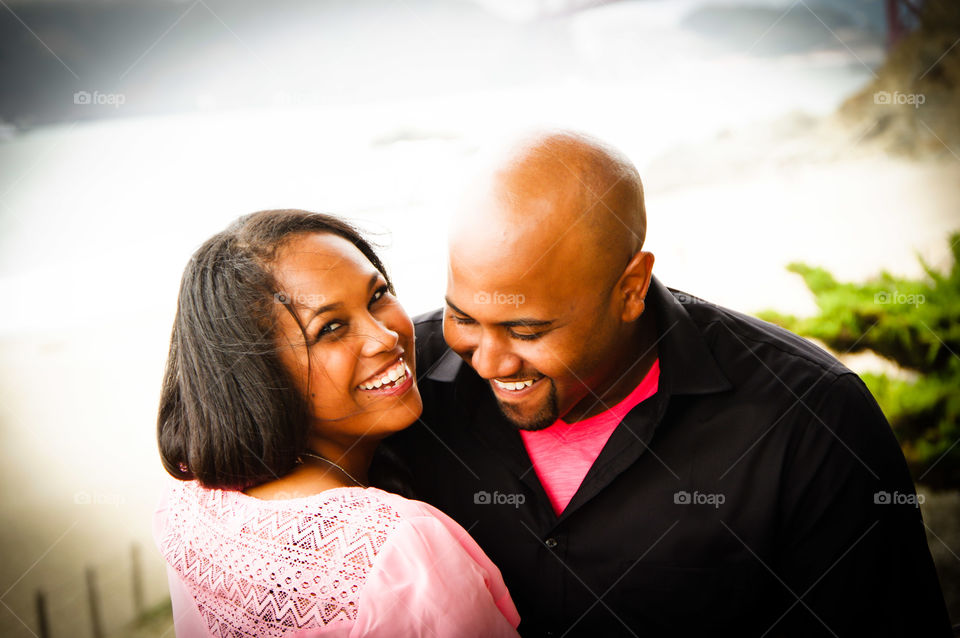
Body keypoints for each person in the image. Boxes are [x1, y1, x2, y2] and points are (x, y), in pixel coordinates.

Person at [370, 131, 953, 637]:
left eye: (527, 330)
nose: (490, 362)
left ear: (631, 288)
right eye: (464, 318)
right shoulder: (395, 389)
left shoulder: (811, 419)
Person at [153, 209, 520, 637]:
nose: (385, 337)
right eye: (330, 328)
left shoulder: (188, 504)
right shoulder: (399, 549)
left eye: (377, 295)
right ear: (256, 375)